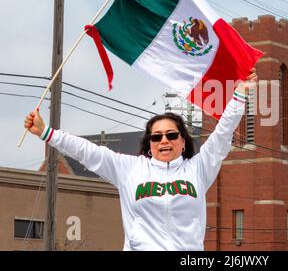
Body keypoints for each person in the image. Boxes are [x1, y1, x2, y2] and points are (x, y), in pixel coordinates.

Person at [24, 69, 258, 251]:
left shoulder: (198, 168)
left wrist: (240, 95)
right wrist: (47, 133)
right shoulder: (130, 169)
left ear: (183, 141)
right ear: (149, 143)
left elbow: (222, 134)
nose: (164, 141)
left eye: (171, 135)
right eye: (157, 137)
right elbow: (88, 152)